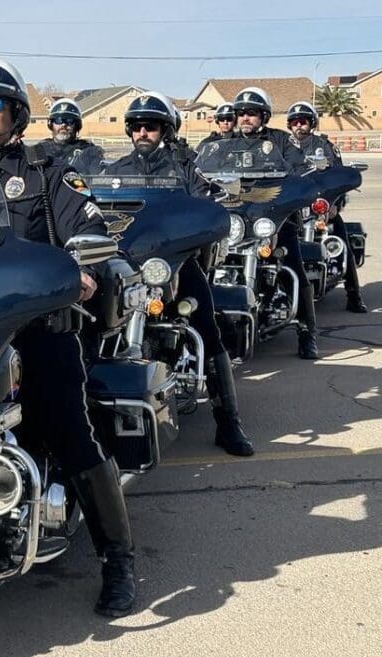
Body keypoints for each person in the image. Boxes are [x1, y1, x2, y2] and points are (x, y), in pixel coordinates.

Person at [0, 57, 136, 617]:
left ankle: (118, 559)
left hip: (36, 330)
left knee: (66, 427)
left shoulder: (45, 172)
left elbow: (90, 229)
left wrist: (84, 269)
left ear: (16, 115)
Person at [101, 91, 255, 457]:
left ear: (166, 130)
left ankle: (228, 421)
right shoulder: (115, 171)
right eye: (136, 126)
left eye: (150, 126)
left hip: (174, 263)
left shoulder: (186, 168)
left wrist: (214, 204)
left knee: (206, 325)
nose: (142, 132)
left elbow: (209, 203)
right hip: (127, 264)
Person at [234, 87, 320, 358]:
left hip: (274, 218)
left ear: (264, 116)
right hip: (236, 218)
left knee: (294, 266)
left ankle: (307, 332)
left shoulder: (281, 142)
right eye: (241, 113)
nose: (245, 118)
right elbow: (204, 174)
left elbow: (299, 171)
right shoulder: (225, 144)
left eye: (251, 113)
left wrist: (298, 188)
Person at [286, 101, 368, 313]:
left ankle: (354, 295)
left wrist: (334, 206)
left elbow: (339, 180)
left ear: (311, 123)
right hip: (292, 208)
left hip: (320, 207)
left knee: (343, 242)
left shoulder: (324, 147)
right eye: (294, 121)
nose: (298, 125)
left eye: (303, 121)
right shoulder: (282, 148)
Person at [34, 98, 106, 174]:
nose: (63, 125)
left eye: (69, 121)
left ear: (77, 125)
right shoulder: (40, 150)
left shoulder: (89, 151)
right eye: (58, 120)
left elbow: (98, 177)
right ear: (51, 124)